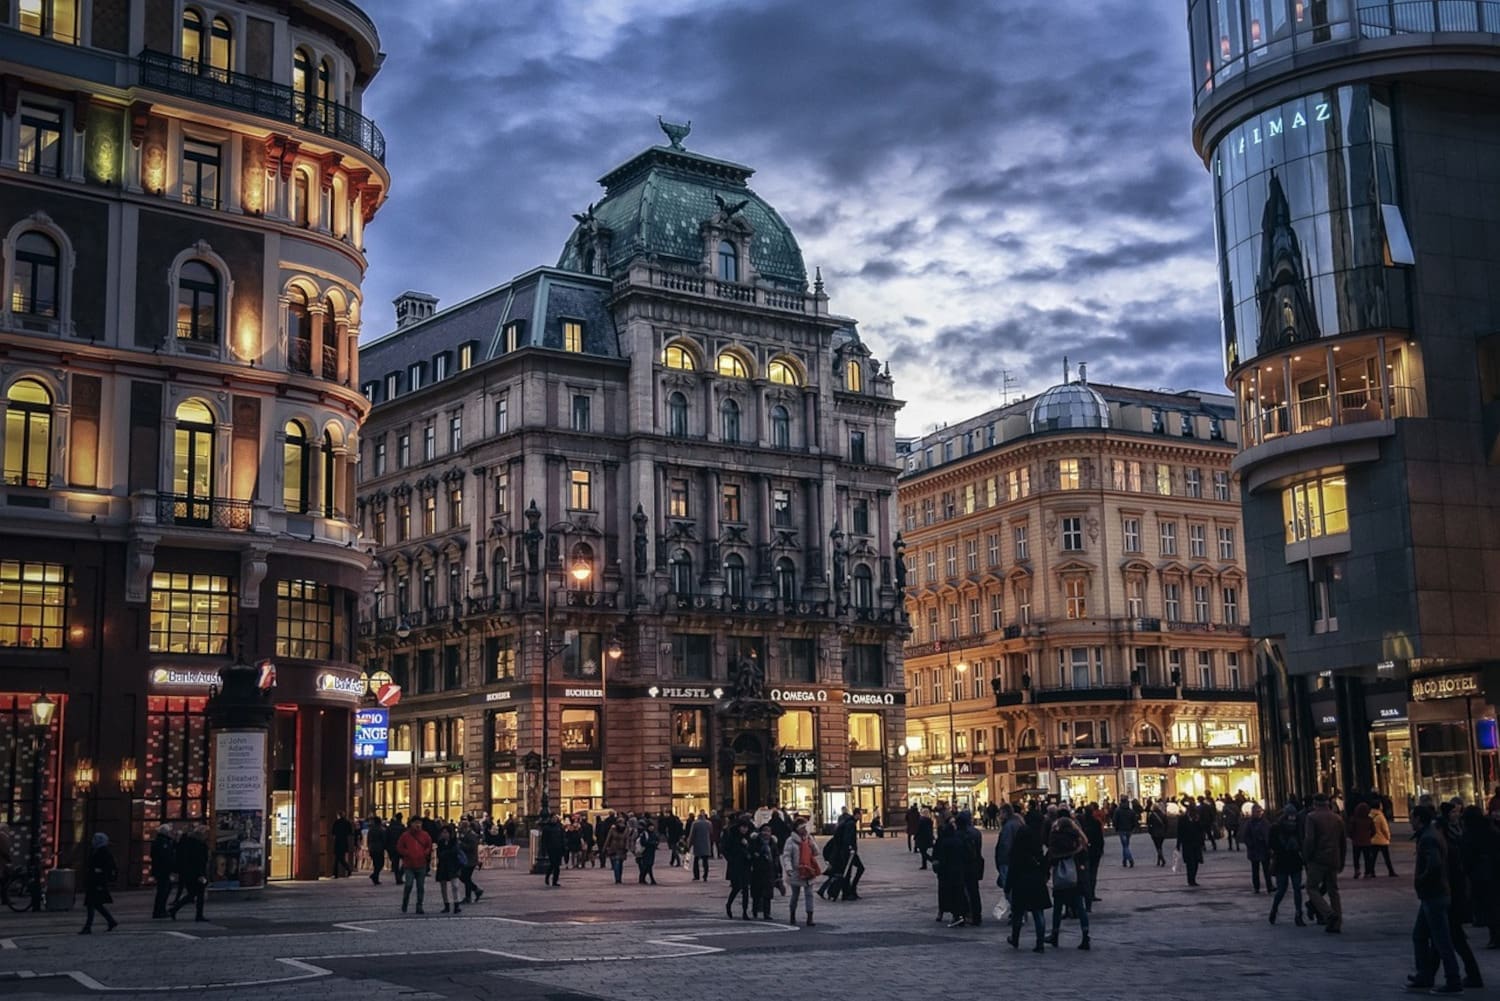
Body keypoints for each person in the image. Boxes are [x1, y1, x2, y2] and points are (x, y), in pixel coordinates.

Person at [1409, 804, 1465, 994]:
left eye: (1412, 818)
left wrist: (1421, 880)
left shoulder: (1428, 838)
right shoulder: (1432, 834)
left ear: (1418, 819)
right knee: (1420, 935)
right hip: (1434, 893)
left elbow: (1434, 864)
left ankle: (1453, 980)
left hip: (1434, 894)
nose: (1410, 821)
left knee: (1441, 940)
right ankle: (1424, 975)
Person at [1006, 810, 1051, 952]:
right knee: (1038, 913)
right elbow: (1044, 856)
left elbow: (1014, 858)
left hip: (1021, 876)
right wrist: (1045, 872)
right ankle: (1040, 943)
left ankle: (1015, 938)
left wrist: (1008, 883)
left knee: (1018, 911)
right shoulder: (1040, 834)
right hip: (1036, 877)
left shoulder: (1023, 832)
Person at [1045, 807, 1090, 950]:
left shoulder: (1055, 834)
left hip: (1060, 876)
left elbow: (1050, 854)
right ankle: (1085, 936)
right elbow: (1085, 851)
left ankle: (1055, 935)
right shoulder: (1075, 833)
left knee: (1058, 907)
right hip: (1075, 875)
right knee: (1080, 906)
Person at [1303, 793, 1346, 933]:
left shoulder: (1311, 817)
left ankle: (1328, 914)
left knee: (1312, 887)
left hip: (1318, 858)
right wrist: (1342, 860)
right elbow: (1342, 842)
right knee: (1333, 890)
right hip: (1334, 858)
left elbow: (1310, 840)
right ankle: (1337, 922)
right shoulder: (1337, 818)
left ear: (1315, 804)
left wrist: (1307, 856)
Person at [1268, 803, 1306, 925]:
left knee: (1292, 889)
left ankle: (1297, 913)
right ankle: (1276, 909)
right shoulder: (1278, 828)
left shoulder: (1296, 827)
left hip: (1290, 861)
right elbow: (1271, 844)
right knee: (1285, 889)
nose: (1292, 818)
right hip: (1286, 861)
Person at [79, 832, 119, 934]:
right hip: (94, 880)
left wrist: (101, 874)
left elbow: (108, 867)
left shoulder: (103, 851)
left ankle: (88, 927)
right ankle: (110, 921)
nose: (93, 841)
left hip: (98, 881)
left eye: (95, 839)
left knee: (92, 904)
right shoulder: (96, 850)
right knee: (95, 904)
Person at [783, 816, 819, 927]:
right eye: (803, 827)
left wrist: (812, 843)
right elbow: (787, 856)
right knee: (795, 895)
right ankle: (792, 914)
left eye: (805, 827)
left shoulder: (808, 839)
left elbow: (816, 852)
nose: (805, 830)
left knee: (809, 894)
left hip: (809, 870)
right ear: (797, 829)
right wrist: (788, 868)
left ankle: (810, 917)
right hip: (796, 871)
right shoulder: (791, 841)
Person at [169, 825, 208, 922]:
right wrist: (201, 874)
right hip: (196, 873)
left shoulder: (187, 843)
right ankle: (198, 915)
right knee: (198, 894)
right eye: (205, 833)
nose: (206, 836)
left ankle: (175, 909)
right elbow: (199, 860)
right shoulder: (199, 845)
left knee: (192, 894)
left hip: (188, 873)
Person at [396, 816, 432, 914]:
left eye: (419, 823)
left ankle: (419, 906)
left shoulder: (425, 835)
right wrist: (406, 853)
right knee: (408, 884)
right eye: (415, 823)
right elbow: (399, 847)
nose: (418, 825)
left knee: (420, 886)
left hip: (421, 864)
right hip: (409, 865)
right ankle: (405, 902)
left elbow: (429, 845)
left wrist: (425, 852)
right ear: (411, 824)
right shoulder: (405, 836)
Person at [724, 816, 754, 918]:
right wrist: (731, 859)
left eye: (746, 827)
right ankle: (729, 905)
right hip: (735, 866)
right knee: (736, 887)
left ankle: (745, 912)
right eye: (743, 827)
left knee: (745, 888)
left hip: (745, 865)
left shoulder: (748, 837)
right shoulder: (732, 835)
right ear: (739, 827)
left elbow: (752, 849)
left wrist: (749, 852)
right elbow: (725, 849)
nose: (744, 829)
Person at [1243, 804, 1273, 893]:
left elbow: (1269, 835)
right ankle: (1257, 887)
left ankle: (1269, 885)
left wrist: (1269, 846)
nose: (1259, 814)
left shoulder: (1265, 822)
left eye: (1260, 812)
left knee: (1267, 869)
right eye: (1257, 812)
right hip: (1254, 849)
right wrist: (1250, 844)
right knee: (1255, 869)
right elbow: (1246, 836)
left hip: (1264, 849)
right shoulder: (1249, 823)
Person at [748, 824, 775, 919]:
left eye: (768, 831)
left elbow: (776, 858)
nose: (766, 833)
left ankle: (767, 913)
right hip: (758, 871)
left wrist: (778, 872)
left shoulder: (772, 843)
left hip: (769, 871)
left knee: (768, 894)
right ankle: (755, 910)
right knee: (757, 893)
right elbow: (752, 854)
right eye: (765, 830)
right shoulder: (756, 842)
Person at [150, 824, 176, 919]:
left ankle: (160, 910)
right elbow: (165, 857)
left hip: (161, 870)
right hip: (163, 871)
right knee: (163, 891)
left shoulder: (160, 841)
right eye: (169, 831)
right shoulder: (162, 842)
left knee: (164, 890)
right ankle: (159, 911)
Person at [434, 828, 463, 914]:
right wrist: (447, 853)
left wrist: (445, 853)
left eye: (446, 832)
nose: (444, 834)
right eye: (443, 832)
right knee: (443, 886)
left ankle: (456, 904)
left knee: (455, 886)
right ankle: (446, 904)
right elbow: (439, 854)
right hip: (443, 866)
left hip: (453, 866)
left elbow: (454, 852)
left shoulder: (454, 842)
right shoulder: (440, 842)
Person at [1176, 804, 1206, 887]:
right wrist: (1178, 844)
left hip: (1196, 843)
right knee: (1190, 863)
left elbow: (1201, 830)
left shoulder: (1197, 819)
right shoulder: (1183, 819)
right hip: (1187, 843)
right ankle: (1190, 879)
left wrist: (1202, 843)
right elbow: (1180, 832)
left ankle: (1193, 878)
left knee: (1196, 862)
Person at [1370, 797, 1397, 877]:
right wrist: (1388, 837)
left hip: (1373, 840)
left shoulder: (1370, 815)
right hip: (1382, 840)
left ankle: (1371, 872)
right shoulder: (1380, 816)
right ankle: (1391, 871)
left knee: (1373, 858)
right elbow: (1384, 829)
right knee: (1387, 858)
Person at [458, 820, 483, 903]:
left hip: (470, 860)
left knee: (464, 877)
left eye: (461, 827)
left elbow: (471, 847)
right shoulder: (466, 834)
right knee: (466, 878)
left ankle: (474, 892)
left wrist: (461, 844)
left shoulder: (471, 835)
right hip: (467, 860)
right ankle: (472, 893)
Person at [1350, 801, 1374, 878]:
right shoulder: (1369, 819)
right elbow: (1374, 830)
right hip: (1366, 841)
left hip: (1356, 842)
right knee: (1367, 858)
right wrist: (1369, 837)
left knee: (1356, 858)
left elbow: (1350, 830)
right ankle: (1367, 872)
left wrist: (1353, 837)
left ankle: (1357, 870)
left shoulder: (1354, 819)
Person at [540, 813, 564, 888]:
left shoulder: (559, 827)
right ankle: (547, 876)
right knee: (553, 864)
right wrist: (543, 850)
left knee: (557, 866)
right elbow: (544, 840)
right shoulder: (547, 828)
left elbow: (563, 837)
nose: (554, 819)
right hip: (551, 849)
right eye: (553, 818)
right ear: (550, 818)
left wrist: (564, 847)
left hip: (559, 848)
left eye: (555, 818)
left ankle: (555, 881)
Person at [1112, 798, 1138, 868]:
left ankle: (1130, 859)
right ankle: (1124, 860)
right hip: (1129, 830)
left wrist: (1116, 827)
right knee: (1126, 845)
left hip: (1121, 830)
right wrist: (1132, 828)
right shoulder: (1131, 811)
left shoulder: (1117, 811)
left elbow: (1115, 820)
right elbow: (1134, 820)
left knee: (1125, 845)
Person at [690, 811, 713, 881]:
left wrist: (689, 844)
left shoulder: (695, 824)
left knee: (696, 861)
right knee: (705, 862)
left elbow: (692, 835)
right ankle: (705, 876)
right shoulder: (709, 823)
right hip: (706, 844)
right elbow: (711, 832)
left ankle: (697, 876)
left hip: (697, 844)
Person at [636, 820, 660, 885]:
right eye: (650, 827)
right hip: (645, 851)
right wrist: (651, 843)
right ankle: (650, 879)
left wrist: (655, 843)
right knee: (647, 865)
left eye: (652, 826)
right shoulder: (644, 834)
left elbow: (657, 840)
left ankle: (642, 878)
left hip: (651, 851)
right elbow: (643, 842)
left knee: (649, 865)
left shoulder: (654, 834)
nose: (651, 828)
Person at [331, 811, 353, 878]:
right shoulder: (347, 822)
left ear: (338, 815)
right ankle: (345, 870)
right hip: (344, 842)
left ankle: (337, 873)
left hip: (338, 842)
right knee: (340, 858)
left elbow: (333, 832)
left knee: (338, 858)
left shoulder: (336, 822)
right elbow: (350, 832)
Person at [366, 816, 387, 886]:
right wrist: (385, 847)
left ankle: (375, 877)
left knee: (376, 863)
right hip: (379, 848)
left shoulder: (371, 830)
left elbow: (368, 840)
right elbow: (384, 839)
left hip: (372, 848)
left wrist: (369, 847)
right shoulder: (381, 829)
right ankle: (375, 875)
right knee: (381, 863)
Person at [1148, 800, 1168, 866]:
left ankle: (1162, 859)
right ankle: (1159, 861)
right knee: (1160, 846)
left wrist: (1150, 832)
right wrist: (1165, 831)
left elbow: (1149, 824)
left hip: (1154, 833)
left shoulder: (1151, 815)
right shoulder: (1163, 814)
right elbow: (1166, 823)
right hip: (1162, 833)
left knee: (1158, 847)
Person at [388, 811, 405, 886]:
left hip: (392, 846)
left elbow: (387, 837)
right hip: (401, 847)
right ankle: (400, 876)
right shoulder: (402, 827)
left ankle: (397, 877)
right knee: (405, 862)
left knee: (395, 863)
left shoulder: (391, 827)